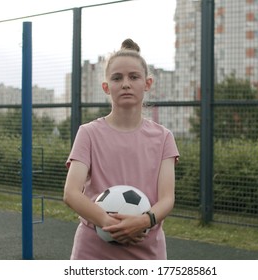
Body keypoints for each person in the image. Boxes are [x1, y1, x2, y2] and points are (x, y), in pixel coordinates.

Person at [63, 38, 179, 260]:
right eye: (117, 78)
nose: (126, 83)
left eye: (133, 77)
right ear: (106, 87)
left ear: (147, 83)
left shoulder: (164, 137)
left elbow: (167, 199)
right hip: (93, 252)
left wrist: (143, 221)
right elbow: (71, 193)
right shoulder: (88, 133)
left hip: (147, 252)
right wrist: (107, 222)